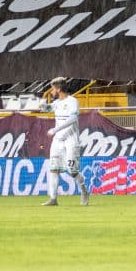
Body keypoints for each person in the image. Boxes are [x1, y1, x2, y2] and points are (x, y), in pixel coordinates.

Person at [40, 77, 89, 207]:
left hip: (71, 139)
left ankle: (84, 191)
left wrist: (55, 129)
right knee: (54, 169)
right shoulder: (57, 103)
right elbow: (47, 109)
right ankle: (53, 198)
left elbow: (73, 119)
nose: (51, 91)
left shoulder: (73, 101)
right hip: (58, 141)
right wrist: (42, 104)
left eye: (53, 88)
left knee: (72, 170)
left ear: (59, 89)